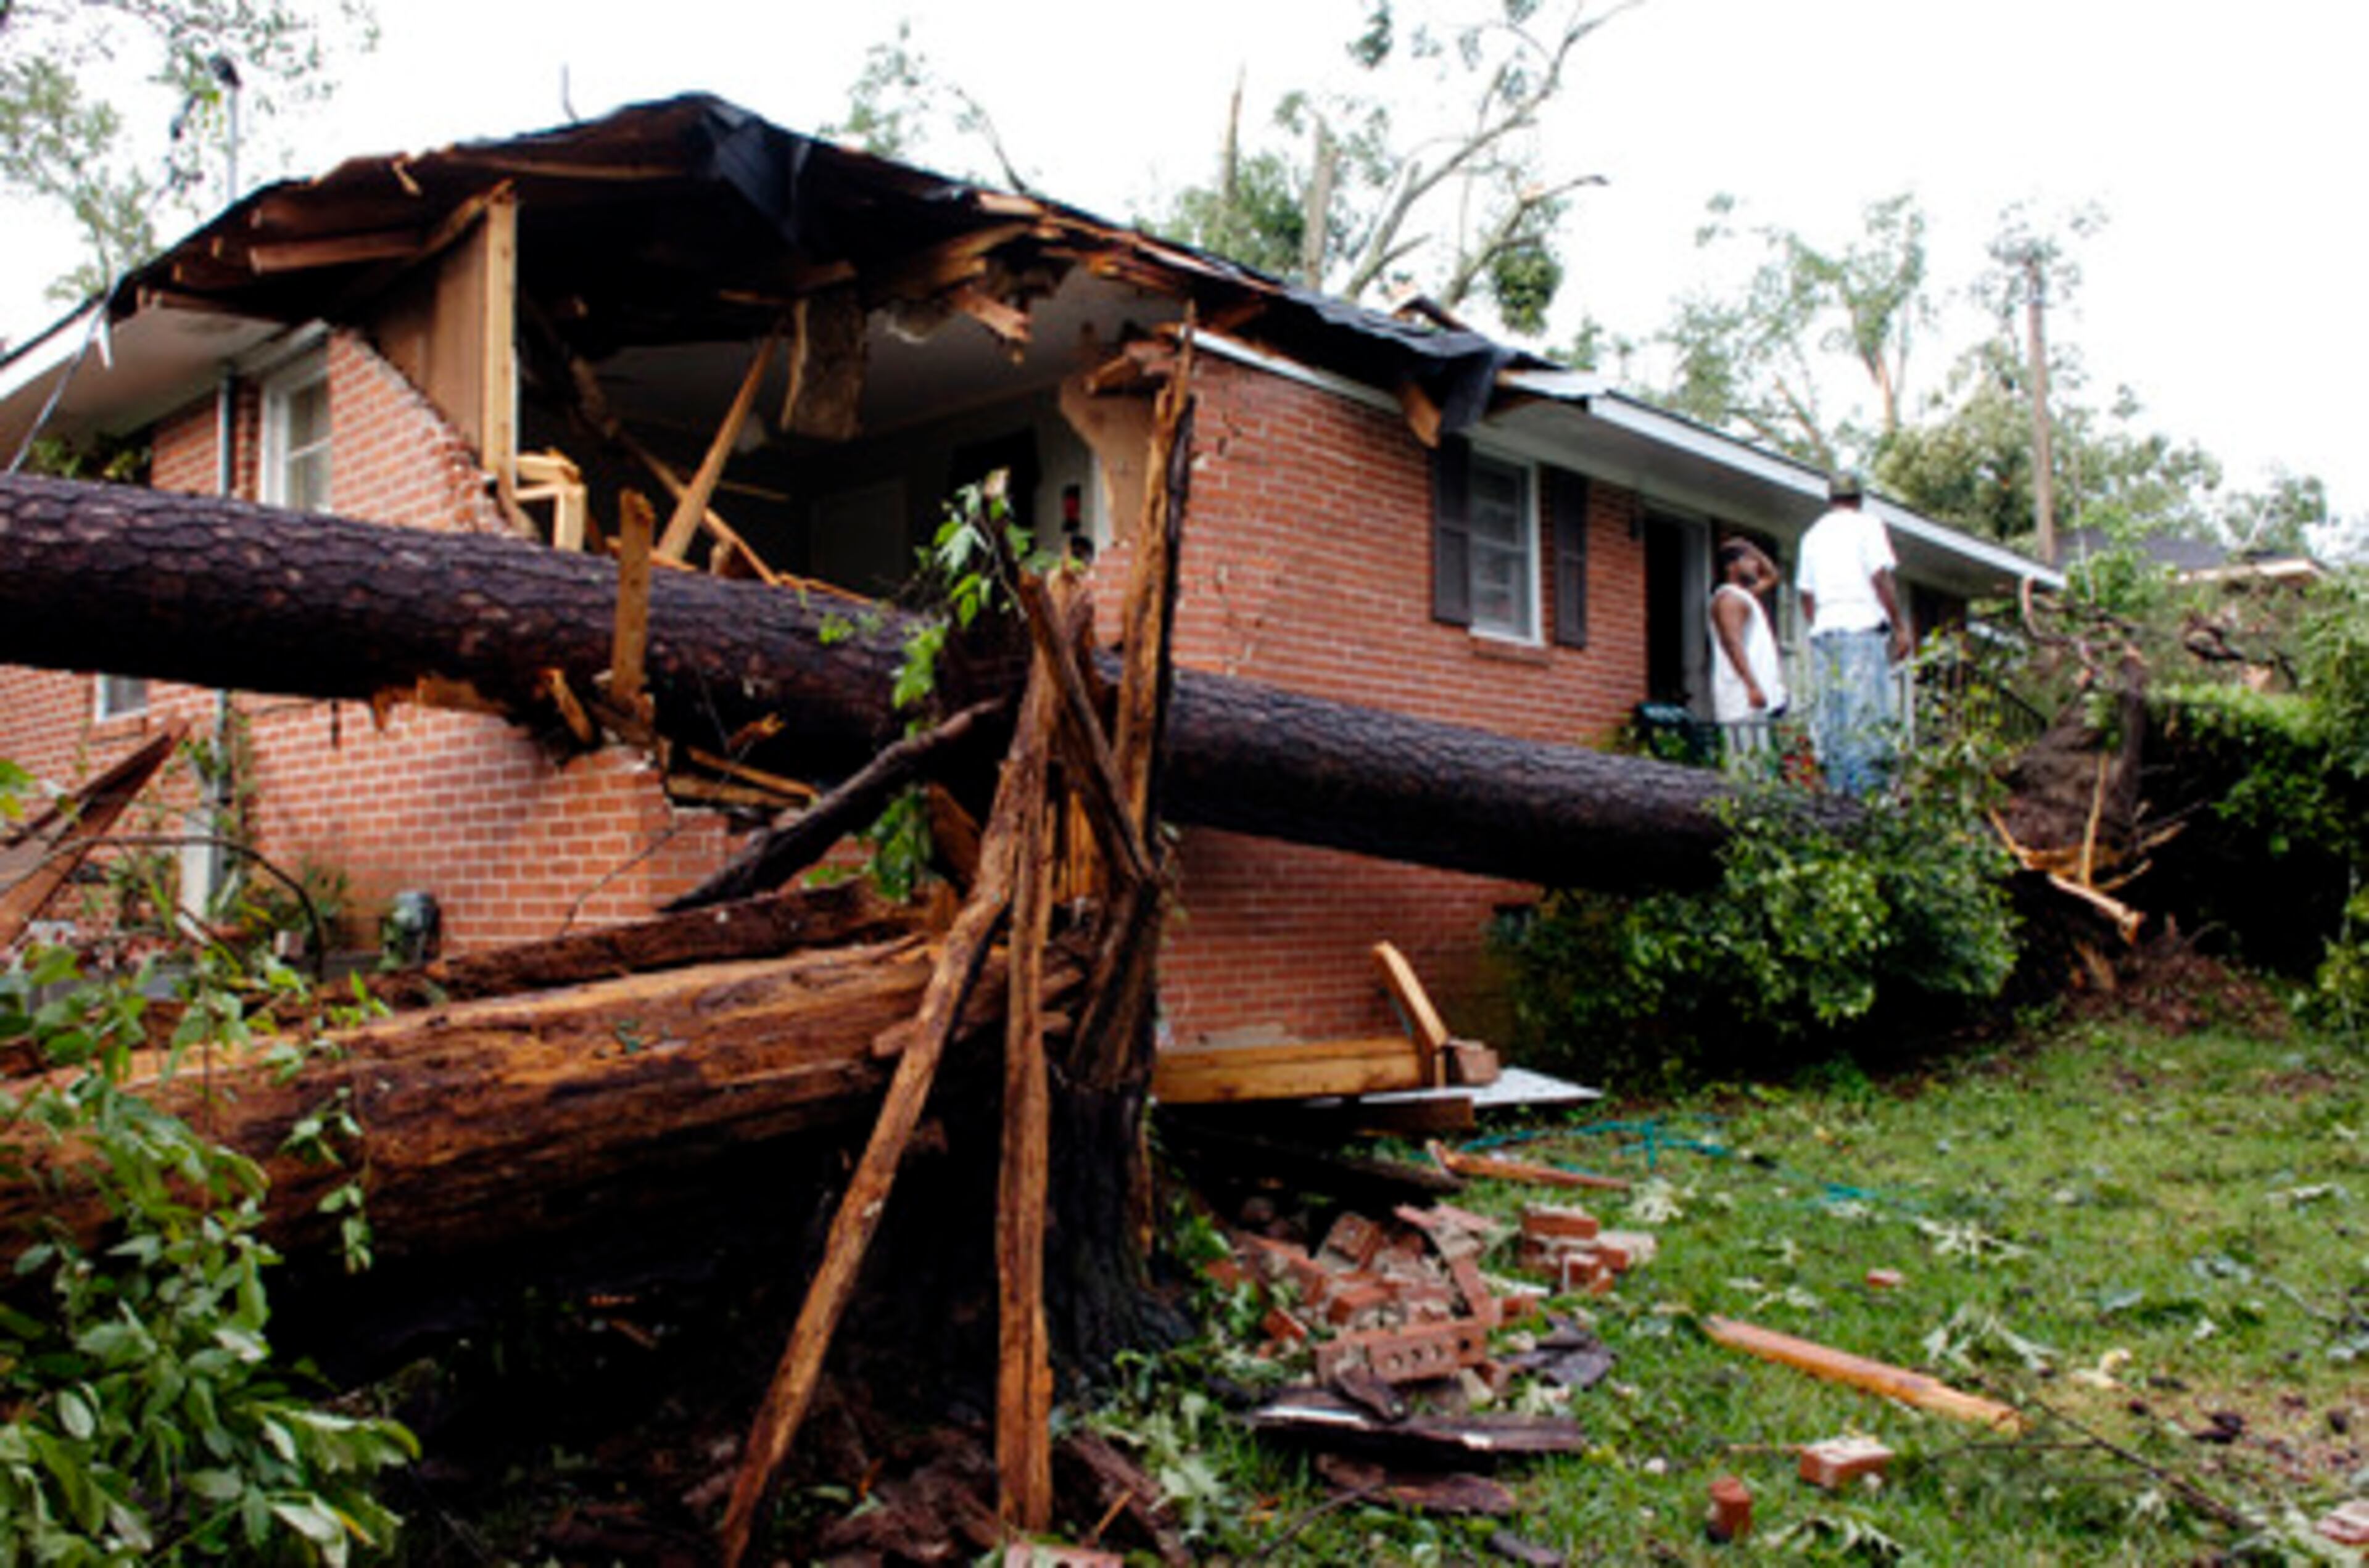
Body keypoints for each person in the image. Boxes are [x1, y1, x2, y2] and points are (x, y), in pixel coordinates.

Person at [1796, 472, 1911, 797]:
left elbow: (1806, 593)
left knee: (1832, 720)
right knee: (1865, 721)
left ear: (1831, 499)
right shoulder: (1868, 526)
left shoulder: (1812, 536)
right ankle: (1865, 807)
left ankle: (1836, 798)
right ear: (1859, 499)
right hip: (1861, 628)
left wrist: (1818, 622)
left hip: (1825, 633)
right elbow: (1880, 576)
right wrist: (1900, 626)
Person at [1708, 538, 1788, 769]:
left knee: (1761, 765)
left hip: (1757, 701)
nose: (1755, 564)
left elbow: (1772, 576)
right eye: (1748, 560)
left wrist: (1750, 547)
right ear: (1731, 566)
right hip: (1743, 701)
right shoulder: (1729, 599)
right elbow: (1731, 642)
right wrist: (1752, 685)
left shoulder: (1745, 596)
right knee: (1747, 767)